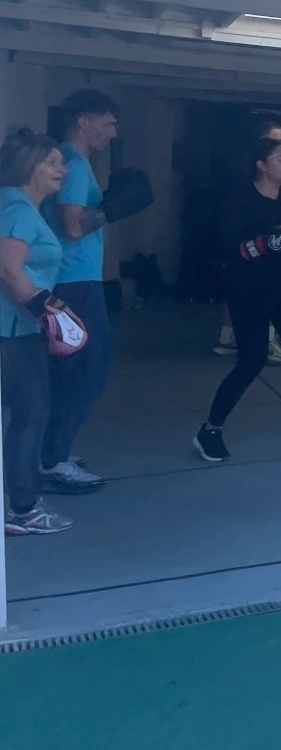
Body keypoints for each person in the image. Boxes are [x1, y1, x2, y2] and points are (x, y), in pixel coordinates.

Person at [194, 138, 281, 461]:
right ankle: (210, 429)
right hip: (249, 290)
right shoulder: (239, 200)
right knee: (252, 360)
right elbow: (227, 246)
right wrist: (263, 244)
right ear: (261, 165)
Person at [39, 89, 120, 496]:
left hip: (75, 279)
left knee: (78, 370)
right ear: (84, 121)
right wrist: (111, 210)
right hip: (75, 282)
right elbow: (73, 227)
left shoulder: (74, 162)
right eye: (108, 124)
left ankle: (53, 452)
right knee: (86, 370)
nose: (113, 133)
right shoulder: (72, 163)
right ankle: (52, 461)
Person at [0, 131, 77, 535]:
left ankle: (22, 503)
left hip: (19, 327)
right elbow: (8, 270)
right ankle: (23, 511)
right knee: (30, 415)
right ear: (28, 166)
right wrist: (47, 314)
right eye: (52, 161)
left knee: (28, 414)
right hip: (13, 331)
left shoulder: (23, 207)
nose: (61, 169)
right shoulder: (17, 207)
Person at [213, 118, 281, 367]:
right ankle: (263, 341)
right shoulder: (245, 175)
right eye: (274, 141)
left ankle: (231, 337)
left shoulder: (276, 171)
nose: (280, 146)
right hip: (246, 239)